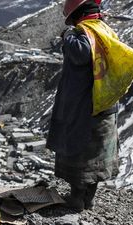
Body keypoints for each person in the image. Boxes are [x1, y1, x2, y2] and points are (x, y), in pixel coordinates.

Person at [46, 0, 120, 212]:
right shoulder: (106, 31)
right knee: (96, 154)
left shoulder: (85, 32)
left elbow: (80, 53)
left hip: (84, 108)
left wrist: (67, 36)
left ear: (78, 14)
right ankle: (88, 199)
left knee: (80, 152)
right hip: (104, 104)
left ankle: (77, 199)